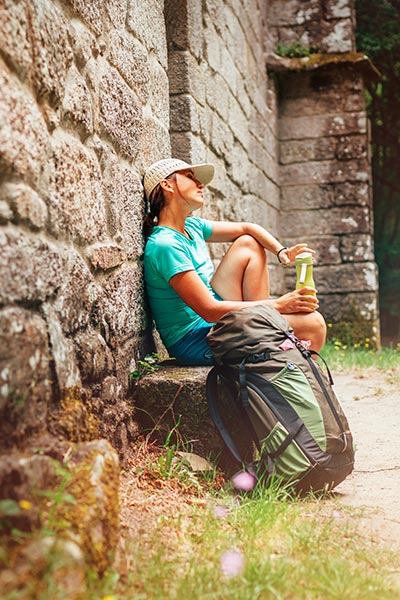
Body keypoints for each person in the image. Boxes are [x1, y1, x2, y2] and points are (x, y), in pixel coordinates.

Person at [143, 158, 326, 366]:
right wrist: (278, 305)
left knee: (249, 244)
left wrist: (282, 252)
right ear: (167, 185)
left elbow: (248, 228)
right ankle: (287, 379)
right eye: (190, 177)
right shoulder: (165, 245)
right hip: (195, 340)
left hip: (214, 323)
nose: (200, 184)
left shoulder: (192, 227)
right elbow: (209, 310)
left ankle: (266, 331)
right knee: (314, 325)